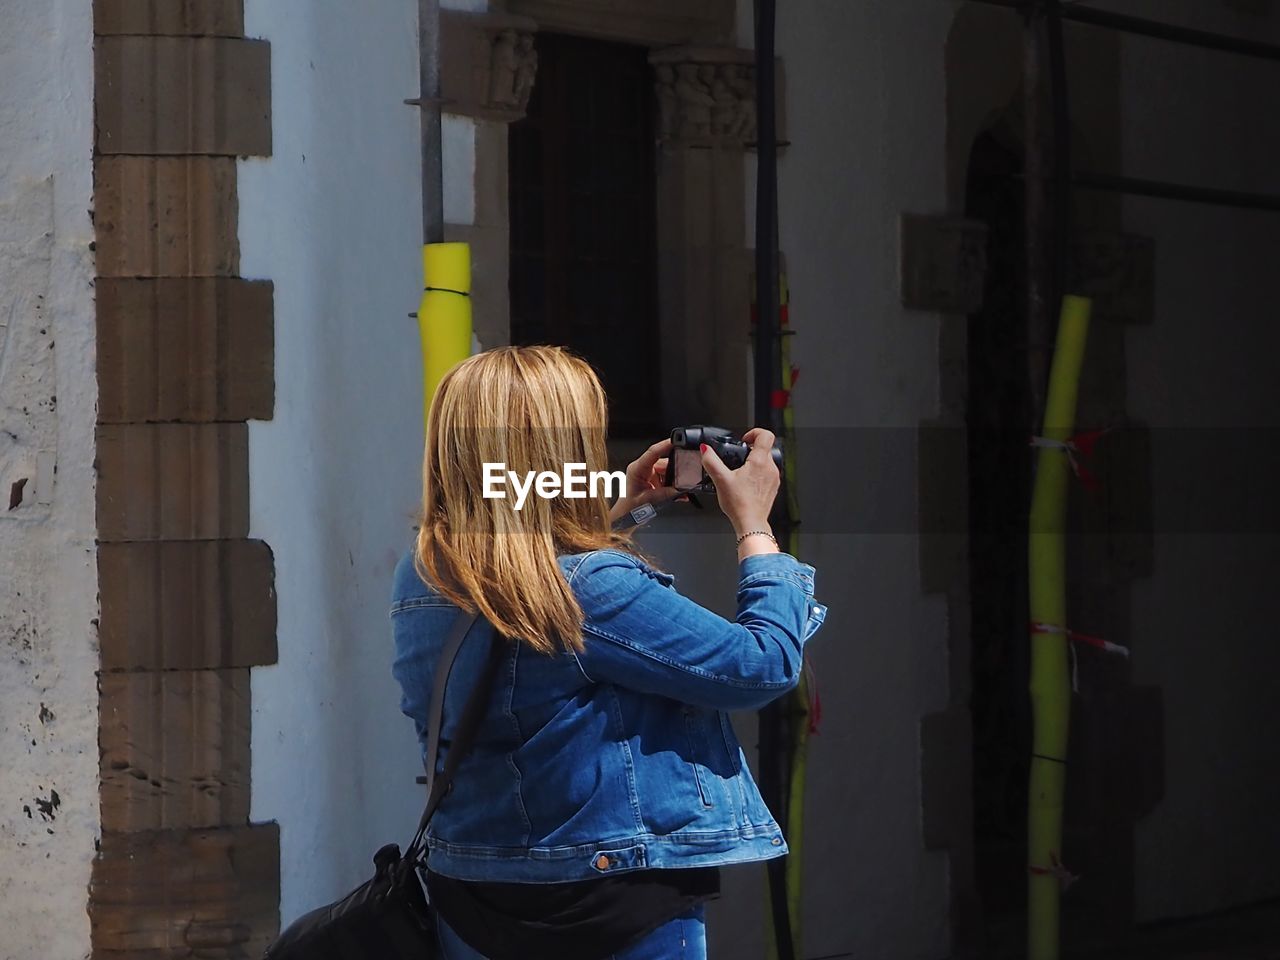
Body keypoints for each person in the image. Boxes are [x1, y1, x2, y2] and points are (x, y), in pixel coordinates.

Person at [390, 345, 827, 960]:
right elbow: (762, 665)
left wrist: (625, 504)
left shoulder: (424, 574)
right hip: (611, 909)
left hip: (472, 895)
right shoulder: (591, 588)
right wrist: (754, 525)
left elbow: (529, 579)